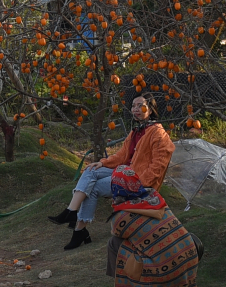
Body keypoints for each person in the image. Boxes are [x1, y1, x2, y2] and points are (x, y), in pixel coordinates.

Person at [50, 94, 175, 250]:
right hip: (124, 171)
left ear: (150, 110)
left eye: (140, 106)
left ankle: (79, 231)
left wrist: (140, 184)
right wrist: (102, 163)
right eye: (133, 105)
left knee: (94, 188)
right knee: (90, 170)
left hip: (135, 180)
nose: (135, 109)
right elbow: (122, 156)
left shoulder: (158, 133)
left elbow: (158, 165)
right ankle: (71, 211)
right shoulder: (136, 131)